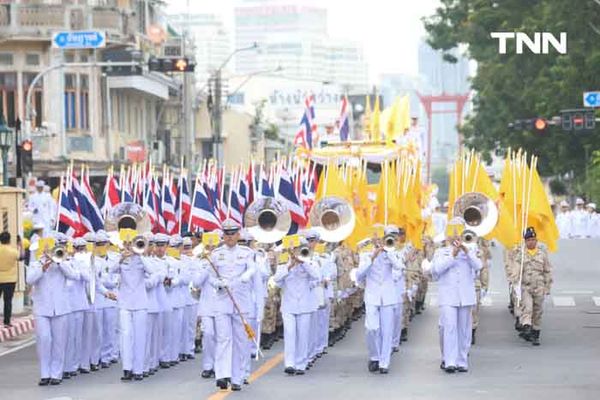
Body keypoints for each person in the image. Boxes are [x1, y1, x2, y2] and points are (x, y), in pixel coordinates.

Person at [208, 219, 255, 391]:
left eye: (232, 234)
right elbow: (211, 277)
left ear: (238, 235)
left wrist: (245, 276)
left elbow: (252, 268)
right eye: (226, 234)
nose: (229, 237)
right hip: (222, 301)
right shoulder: (215, 254)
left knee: (240, 341)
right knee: (223, 338)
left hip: (241, 302)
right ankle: (221, 375)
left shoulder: (247, 252)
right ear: (223, 235)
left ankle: (237, 377)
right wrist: (218, 283)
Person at [430, 217, 482, 373]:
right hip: (448, 296)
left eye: (459, 235)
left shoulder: (470, 250)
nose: (456, 238)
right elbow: (437, 269)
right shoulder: (441, 252)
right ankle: (450, 361)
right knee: (450, 327)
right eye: (453, 235)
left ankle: (462, 360)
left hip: (465, 296)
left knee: (464, 329)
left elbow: (479, 266)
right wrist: (453, 254)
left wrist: (466, 251)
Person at [27, 234, 79, 386]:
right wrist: (43, 267)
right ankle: (45, 373)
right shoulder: (36, 263)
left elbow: (74, 275)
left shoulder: (63, 260)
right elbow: (29, 279)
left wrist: (59, 262)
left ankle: (56, 373)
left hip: (60, 308)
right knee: (44, 339)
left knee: (59, 341)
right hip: (42, 307)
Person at [356, 231, 404, 374]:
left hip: (388, 297)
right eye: (376, 239)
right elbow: (359, 274)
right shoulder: (365, 254)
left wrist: (387, 253)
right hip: (372, 296)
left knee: (387, 330)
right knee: (371, 328)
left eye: (381, 239)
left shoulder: (393, 252)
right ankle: (375, 356)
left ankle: (384, 362)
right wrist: (373, 256)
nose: (379, 242)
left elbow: (399, 268)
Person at [273, 237, 320, 376]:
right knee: (289, 333)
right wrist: (290, 265)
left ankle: (301, 364)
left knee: (303, 334)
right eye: (294, 248)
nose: (296, 251)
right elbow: (276, 278)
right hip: (288, 303)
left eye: (299, 248)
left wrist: (303, 263)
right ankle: (290, 363)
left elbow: (316, 275)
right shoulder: (283, 261)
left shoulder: (310, 260)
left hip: (305, 304)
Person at [110, 234, 153, 381]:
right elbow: (110, 270)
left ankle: (139, 369)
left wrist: (140, 254)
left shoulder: (142, 259)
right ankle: (127, 369)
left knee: (140, 336)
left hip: (140, 302)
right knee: (126, 336)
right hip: (125, 302)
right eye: (127, 243)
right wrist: (122, 258)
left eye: (131, 243)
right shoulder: (120, 258)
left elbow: (152, 270)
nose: (129, 246)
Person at [515, 227, 553, 346]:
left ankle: (535, 333)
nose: (532, 241)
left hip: (539, 287)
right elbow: (516, 271)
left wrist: (548, 287)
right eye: (529, 240)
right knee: (528, 308)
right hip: (526, 287)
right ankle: (526, 325)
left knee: (537, 311)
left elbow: (547, 271)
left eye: (533, 239)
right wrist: (515, 284)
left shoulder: (542, 254)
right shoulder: (521, 254)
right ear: (525, 241)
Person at [0, 231, 23, 327]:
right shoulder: (13, 251)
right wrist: (20, 245)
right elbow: (22, 257)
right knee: (8, 301)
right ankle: (6, 322)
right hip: (10, 280)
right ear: (9, 240)